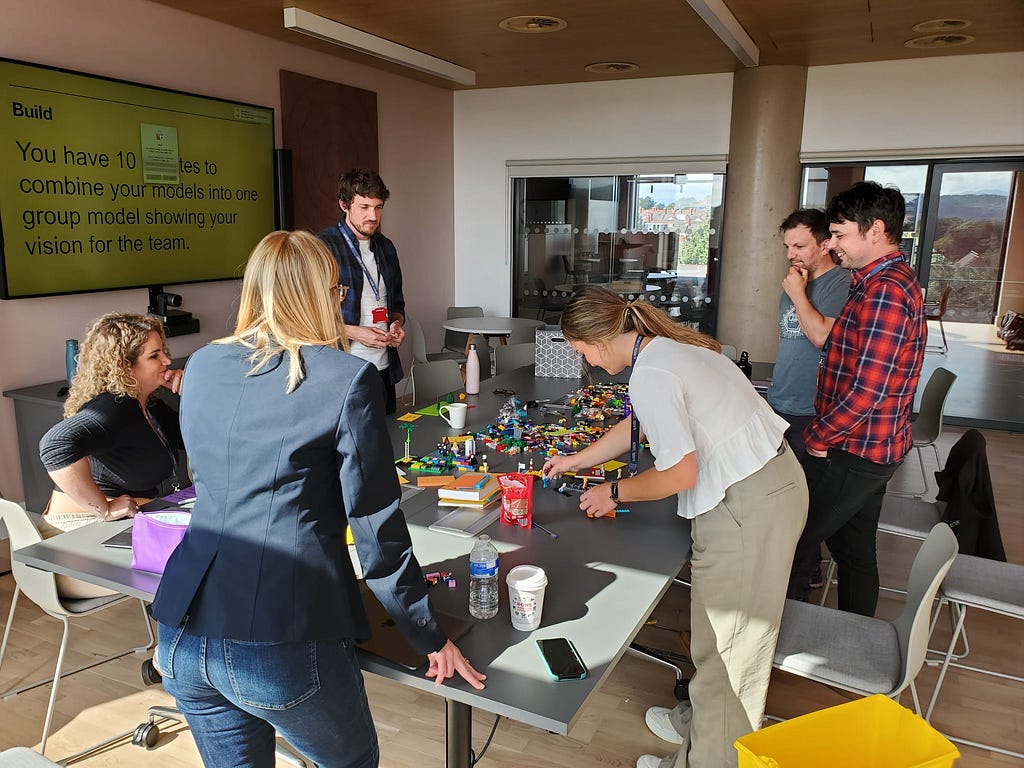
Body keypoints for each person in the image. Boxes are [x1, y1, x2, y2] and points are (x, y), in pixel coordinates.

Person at [150, 231, 484, 768]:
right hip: (278, 636)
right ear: (313, 296)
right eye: (334, 289)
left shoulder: (204, 365)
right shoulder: (346, 380)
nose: (340, 301)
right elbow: (377, 529)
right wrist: (427, 634)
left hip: (182, 631)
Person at [541, 288, 807, 768]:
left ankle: (706, 759)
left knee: (730, 655)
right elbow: (637, 425)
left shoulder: (654, 373)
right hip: (769, 489)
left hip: (748, 508)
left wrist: (613, 492)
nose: (587, 364)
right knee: (715, 639)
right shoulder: (668, 349)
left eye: (580, 352)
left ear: (598, 341)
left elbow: (679, 474)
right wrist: (579, 459)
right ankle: (698, 725)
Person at [787, 181, 926, 617]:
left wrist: (818, 435)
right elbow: (837, 349)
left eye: (840, 235)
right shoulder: (871, 284)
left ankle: (771, 643)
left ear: (876, 231)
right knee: (854, 551)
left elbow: (869, 387)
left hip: (856, 448)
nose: (832, 245)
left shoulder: (885, 291)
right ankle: (854, 639)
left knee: (794, 538)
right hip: (870, 445)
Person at [38, 312, 184, 598]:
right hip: (74, 538)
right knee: (197, 564)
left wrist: (192, 393)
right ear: (125, 367)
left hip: (119, 526)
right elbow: (55, 445)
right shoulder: (113, 408)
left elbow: (193, 437)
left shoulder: (149, 404)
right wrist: (103, 508)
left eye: (164, 351)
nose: (167, 361)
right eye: (155, 356)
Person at [318, 168, 406, 414]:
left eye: (378, 207)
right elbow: (309, 317)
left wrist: (397, 325)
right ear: (344, 205)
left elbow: (397, 305)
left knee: (388, 439)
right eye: (364, 207)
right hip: (343, 369)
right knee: (352, 445)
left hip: (384, 367)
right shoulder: (323, 247)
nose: (373, 215)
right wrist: (354, 333)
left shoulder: (386, 247)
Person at [767, 209, 851, 458]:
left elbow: (820, 337)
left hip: (813, 409)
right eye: (787, 246)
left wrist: (797, 294)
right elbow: (788, 339)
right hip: (780, 401)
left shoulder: (840, 283)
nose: (790, 255)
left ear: (825, 245)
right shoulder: (797, 281)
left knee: (805, 489)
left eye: (799, 246)